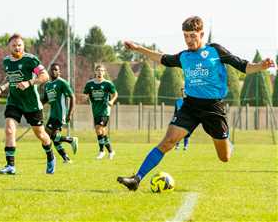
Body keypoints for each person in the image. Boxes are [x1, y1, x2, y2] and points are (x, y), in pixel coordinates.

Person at [118, 16, 275, 191]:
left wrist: (261, 66)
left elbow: (243, 66)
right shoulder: (184, 56)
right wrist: (139, 48)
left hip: (213, 108)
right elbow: (162, 58)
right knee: (167, 142)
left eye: (193, 35)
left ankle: (228, 143)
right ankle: (136, 179)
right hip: (190, 106)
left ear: (201, 34)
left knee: (224, 157)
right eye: (186, 36)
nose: (189, 40)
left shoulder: (215, 50)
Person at [0, 33, 56, 175]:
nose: (17, 48)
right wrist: (1, 88)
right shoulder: (6, 61)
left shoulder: (30, 60)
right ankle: (10, 166)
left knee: (41, 135)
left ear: (23, 46)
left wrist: (29, 82)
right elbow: (11, 77)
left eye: (19, 45)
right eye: (14, 45)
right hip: (14, 101)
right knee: (9, 130)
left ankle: (50, 156)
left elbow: (45, 76)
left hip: (31, 104)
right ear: (9, 47)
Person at [42, 63, 78, 163]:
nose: (53, 71)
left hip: (60, 114)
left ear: (59, 71)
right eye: (52, 69)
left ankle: (70, 140)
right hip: (52, 114)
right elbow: (44, 99)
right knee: (53, 138)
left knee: (47, 135)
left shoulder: (62, 83)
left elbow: (72, 97)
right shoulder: (48, 85)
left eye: (56, 70)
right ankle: (66, 157)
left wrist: (70, 113)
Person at [83, 64, 118, 160]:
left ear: (104, 72)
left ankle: (101, 151)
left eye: (102, 70)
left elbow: (115, 93)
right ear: (95, 72)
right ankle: (111, 151)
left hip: (105, 110)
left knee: (99, 129)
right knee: (102, 132)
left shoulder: (107, 84)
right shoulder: (90, 84)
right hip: (95, 111)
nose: (100, 72)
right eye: (98, 70)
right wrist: (85, 98)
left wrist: (111, 101)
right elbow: (85, 94)